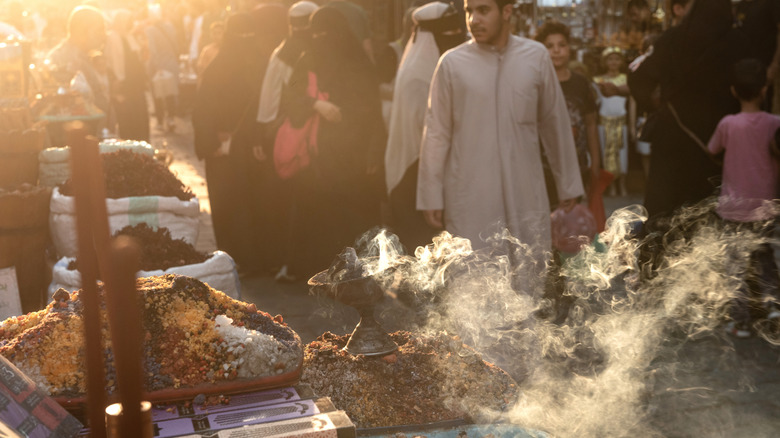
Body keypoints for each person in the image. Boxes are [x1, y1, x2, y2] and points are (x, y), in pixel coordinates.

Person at [416, 0, 584, 267]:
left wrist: (568, 183)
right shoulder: (452, 63)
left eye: (483, 10)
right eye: (469, 11)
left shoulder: (535, 56)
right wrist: (431, 194)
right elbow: (437, 131)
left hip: (525, 189)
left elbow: (555, 123)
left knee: (528, 269)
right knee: (473, 273)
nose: (473, 20)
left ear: (506, 11)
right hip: (470, 192)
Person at [282, 6, 386, 274]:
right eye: (318, 33)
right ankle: (325, 269)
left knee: (352, 215)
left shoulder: (358, 61)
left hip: (356, 155)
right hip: (321, 156)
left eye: (327, 32)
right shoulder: (308, 59)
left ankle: (354, 270)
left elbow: (373, 110)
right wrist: (317, 104)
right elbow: (290, 98)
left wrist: (375, 151)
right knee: (323, 214)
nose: (322, 38)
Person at [628, 0, 749, 223]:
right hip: (717, 144)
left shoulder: (673, 39)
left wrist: (656, 105)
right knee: (706, 215)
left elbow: (638, 79)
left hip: (673, 137)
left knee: (666, 213)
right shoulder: (739, 43)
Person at [193, 11, 284, 275]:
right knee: (259, 202)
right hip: (258, 148)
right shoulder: (264, 64)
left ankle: (238, 259)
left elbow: (202, 110)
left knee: (230, 205)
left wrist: (211, 141)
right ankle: (266, 258)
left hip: (225, 149)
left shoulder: (218, 66)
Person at [707, 59, 780, 337]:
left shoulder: (728, 124)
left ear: (733, 91)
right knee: (765, 258)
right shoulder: (775, 124)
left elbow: (712, 149)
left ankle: (740, 321)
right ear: (764, 89)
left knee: (734, 265)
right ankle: (773, 308)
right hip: (765, 208)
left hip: (734, 209)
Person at [385, 1, 464, 252]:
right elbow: (432, 133)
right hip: (415, 175)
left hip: (426, 173)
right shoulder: (419, 77)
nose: (455, 39)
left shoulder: (426, 68)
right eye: (447, 33)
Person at [255, 0, 318, 282]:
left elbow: (268, 102)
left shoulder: (284, 52)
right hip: (298, 137)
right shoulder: (295, 53)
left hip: (294, 137)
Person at [535, 21, 600, 202]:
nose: (556, 50)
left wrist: (595, 162)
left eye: (562, 45)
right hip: (544, 166)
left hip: (577, 164)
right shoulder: (537, 84)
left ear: (570, 48)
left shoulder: (580, 83)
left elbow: (590, 123)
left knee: (574, 220)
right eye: (549, 46)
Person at [48, 6, 109, 116]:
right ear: (81, 30)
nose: (104, 35)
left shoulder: (86, 56)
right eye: (99, 29)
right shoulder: (61, 58)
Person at [103, 9, 150, 141]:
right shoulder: (112, 37)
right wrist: (118, 83)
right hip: (125, 86)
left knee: (140, 120)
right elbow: (114, 61)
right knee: (128, 122)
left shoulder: (129, 37)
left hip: (136, 86)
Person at [595, 47, 629, 197]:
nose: (613, 62)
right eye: (610, 59)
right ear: (604, 62)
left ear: (621, 61)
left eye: (616, 59)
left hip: (621, 122)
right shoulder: (598, 81)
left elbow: (632, 102)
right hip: (605, 123)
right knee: (606, 154)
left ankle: (622, 185)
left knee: (622, 155)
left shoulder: (626, 80)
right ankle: (611, 187)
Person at [735, 0, 780, 112]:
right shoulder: (742, 5)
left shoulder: (772, 3)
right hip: (742, 74)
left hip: (763, 73)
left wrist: (774, 66)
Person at [146, 2, 180, 132]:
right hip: (171, 64)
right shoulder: (170, 27)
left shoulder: (150, 30)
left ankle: (160, 121)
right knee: (170, 93)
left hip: (157, 65)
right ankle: (171, 118)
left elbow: (152, 49)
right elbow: (176, 45)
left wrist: (156, 66)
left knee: (158, 94)